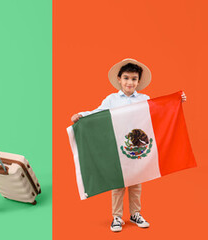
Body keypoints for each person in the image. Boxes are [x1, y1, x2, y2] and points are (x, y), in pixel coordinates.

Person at [70, 58, 186, 232]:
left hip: (137, 147)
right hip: (117, 146)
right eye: (126, 78)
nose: (129, 82)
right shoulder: (112, 99)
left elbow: (158, 111)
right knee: (117, 183)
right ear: (119, 79)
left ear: (138, 81)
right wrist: (81, 115)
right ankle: (117, 217)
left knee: (136, 182)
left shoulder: (144, 99)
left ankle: (135, 214)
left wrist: (176, 101)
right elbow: (98, 113)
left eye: (133, 79)